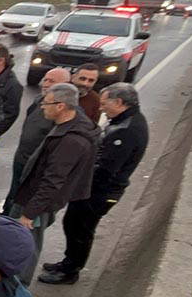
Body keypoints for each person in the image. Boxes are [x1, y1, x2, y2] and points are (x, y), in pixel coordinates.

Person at [40, 82, 149, 284]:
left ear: (119, 102)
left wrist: (78, 178)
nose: (101, 108)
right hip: (92, 188)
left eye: (104, 103)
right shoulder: (122, 121)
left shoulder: (127, 131)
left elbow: (106, 168)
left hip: (99, 192)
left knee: (80, 228)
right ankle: (68, 262)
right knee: (72, 224)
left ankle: (70, 271)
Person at [10, 83, 100, 284]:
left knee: (27, 243)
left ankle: (17, 285)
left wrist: (29, 213)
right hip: (37, 197)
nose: (42, 106)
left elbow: (53, 182)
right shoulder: (73, 126)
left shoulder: (70, 141)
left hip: (36, 202)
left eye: (47, 102)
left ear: (61, 106)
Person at [0, 68, 71, 216]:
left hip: (36, 165)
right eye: (45, 79)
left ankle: (14, 219)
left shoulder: (62, 113)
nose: (45, 84)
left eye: (52, 81)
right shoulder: (38, 100)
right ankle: (6, 213)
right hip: (21, 157)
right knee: (14, 189)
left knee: (24, 196)